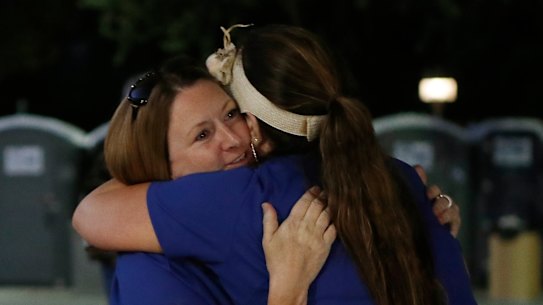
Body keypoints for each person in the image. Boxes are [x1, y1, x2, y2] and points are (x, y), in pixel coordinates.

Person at [73, 25, 475, 305]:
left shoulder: (244, 198)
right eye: (202, 135)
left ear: (257, 124)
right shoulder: (397, 178)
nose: (231, 140)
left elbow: (92, 213)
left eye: (232, 114)